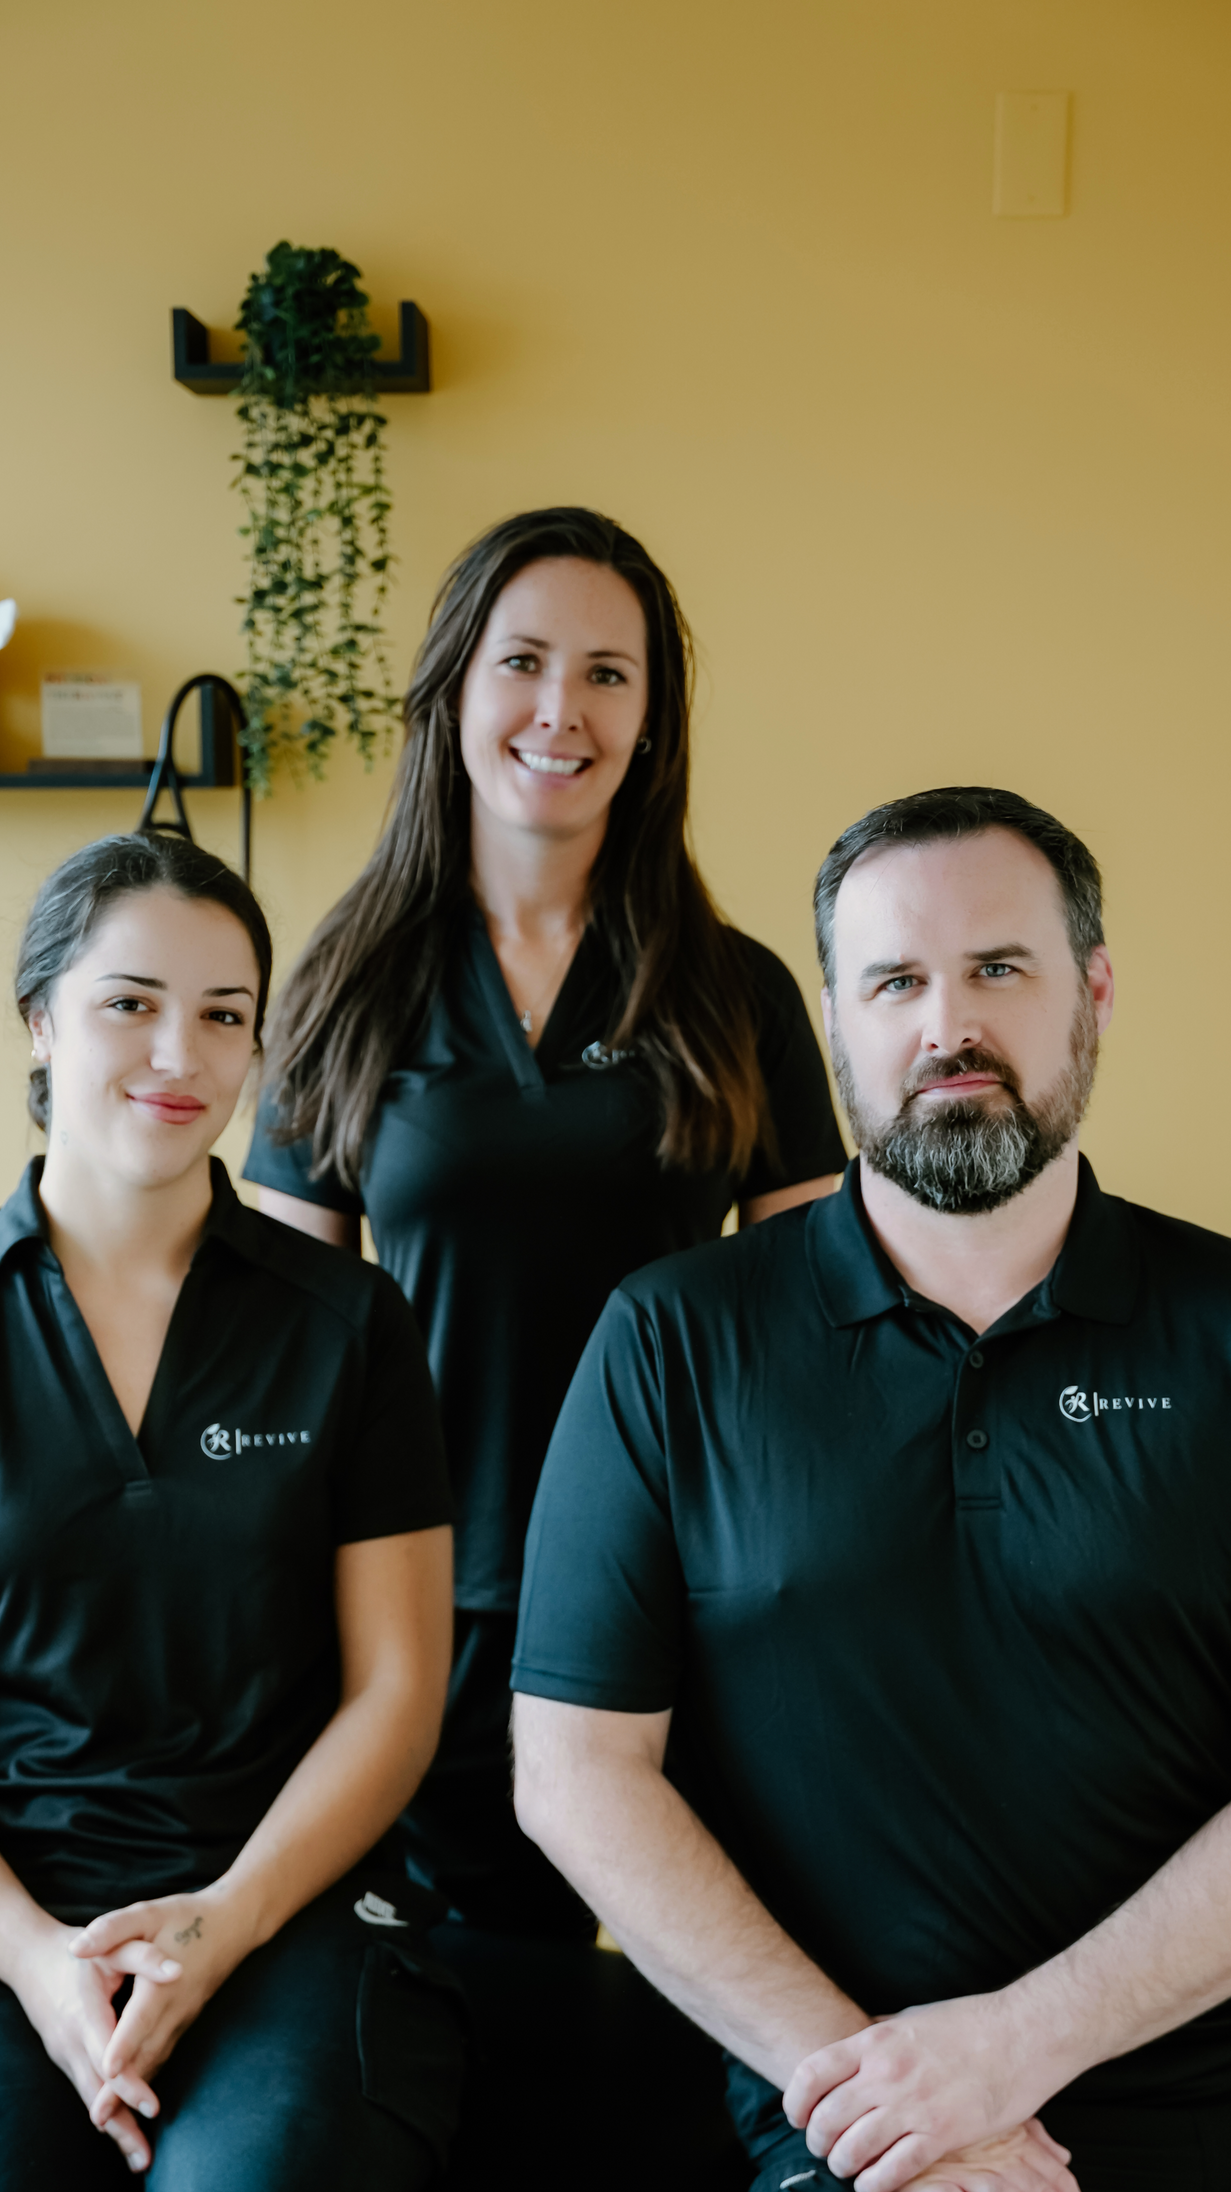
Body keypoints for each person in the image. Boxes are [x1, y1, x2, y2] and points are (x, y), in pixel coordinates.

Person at [508, 785, 1231, 2192]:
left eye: (999, 967)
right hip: (854, 2070)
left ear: (1095, 990)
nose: (947, 1025)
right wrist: (896, 2084)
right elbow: (580, 1775)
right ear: (836, 1021)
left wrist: (1014, 2046)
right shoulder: (671, 1341)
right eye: (896, 979)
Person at [0, 833, 464, 2191]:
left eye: (224, 1016)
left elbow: (397, 1688)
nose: (181, 1054)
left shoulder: (347, 1322)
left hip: (277, 1904)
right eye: (130, 1004)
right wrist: (37, 1954)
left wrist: (224, 1921)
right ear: (41, 1019)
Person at [247, 506, 846, 1938]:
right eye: (521, 661)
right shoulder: (345, 986)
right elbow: (275, 1345)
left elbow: (822, 1327)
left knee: (715, 2014)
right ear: (455, 691)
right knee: (488, 2024)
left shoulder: (735, 989)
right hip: (427, 1607)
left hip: (691, 1596)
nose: (560, 709)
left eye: (608, 673)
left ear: (653, 720)